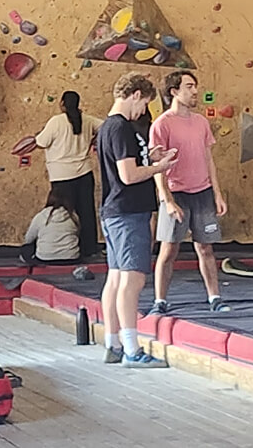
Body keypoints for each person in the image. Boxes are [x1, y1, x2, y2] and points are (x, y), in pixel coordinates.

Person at [98, 72, 177, 369]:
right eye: (143, 103)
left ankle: (113, 343)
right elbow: (128, 176)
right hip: (128, 211)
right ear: (134, 95)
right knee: (133, 280)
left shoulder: (109, 127)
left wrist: (149, 156)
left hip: (115, 211)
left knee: (116, 278)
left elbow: (129, 163)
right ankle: (132, 349)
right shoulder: (121, 128)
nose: (143, 110)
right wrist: (159, 167)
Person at [150, 71, 230, 313]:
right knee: (169, 248)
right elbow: (157, 167)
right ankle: (160, 301)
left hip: (203, 192)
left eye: (195, 86)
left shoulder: (201, 122)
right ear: (174, 91)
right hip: (177, 194)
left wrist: (217, 193)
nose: (195, 91)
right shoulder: (162, 124)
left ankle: (214, 297)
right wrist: (167, 200)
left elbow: (209, 159)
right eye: (189, 86)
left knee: (206, 247)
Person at [34, 91, 104, 259]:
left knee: (62, 213)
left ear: (62, 103)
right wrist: (95, 139)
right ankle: (89, 248)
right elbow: (106, 126)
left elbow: (40, 142)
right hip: (84, 173)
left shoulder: (56, 121)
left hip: (61, 176)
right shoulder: (87, 120)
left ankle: (63, 248)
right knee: (86, 212)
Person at [21, 189, 81, 265]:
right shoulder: (73, 216)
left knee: (26, 249)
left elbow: (28, 239)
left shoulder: (41, 216)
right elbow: (77, 233)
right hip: (71, 258)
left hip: (45, 259)